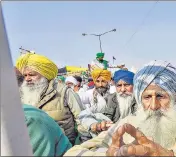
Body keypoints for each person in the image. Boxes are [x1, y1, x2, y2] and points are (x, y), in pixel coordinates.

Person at [64, 60, 176, 156]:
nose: (153, 106)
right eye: (147, 97)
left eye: (160, 96)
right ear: (140, 98)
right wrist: (112, 153)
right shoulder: (128, 123)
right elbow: (72, 153)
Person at [16, 53, 86, 145]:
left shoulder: (64, 92)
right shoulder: (22, 95)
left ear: (44, 74)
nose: (27, 79)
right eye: (25, 75)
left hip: (66, 148)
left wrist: (80, 145)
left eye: (31, 75)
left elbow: (82, 119)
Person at [79, 69, 137, 137]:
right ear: (115, 86)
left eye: (126, 85)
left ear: (134, 85)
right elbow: (84, 113)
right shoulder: (108, 100)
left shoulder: (141, 100)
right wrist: (93, 124)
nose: (123, 89)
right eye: (119, 86)